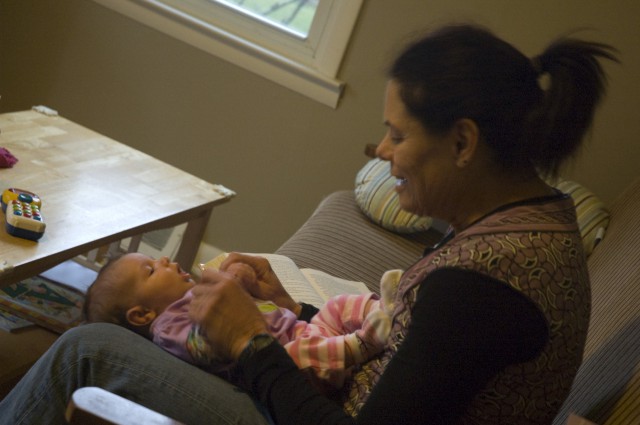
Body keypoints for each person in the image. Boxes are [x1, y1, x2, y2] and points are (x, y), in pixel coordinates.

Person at [0, 24, 618, 425]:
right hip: (321, 392)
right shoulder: (530, 222)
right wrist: (287, 310)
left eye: (398, 134)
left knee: (86, 348)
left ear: (463, 142)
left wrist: (250, 343)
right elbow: (416, 357)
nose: (380, 151)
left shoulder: (486, 288)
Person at [83, 252, 392, 388]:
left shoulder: (198, 294)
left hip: (302, 331)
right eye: (151, 270)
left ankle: (382, 308)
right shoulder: (168, 327)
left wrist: (244, 288)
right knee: (299, 355)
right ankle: (362, 345)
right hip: (293, 365)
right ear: (142, 315)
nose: (163, 260)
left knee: (337, 305)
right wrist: (220, 309)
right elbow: (202, 347)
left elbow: (261, 313)